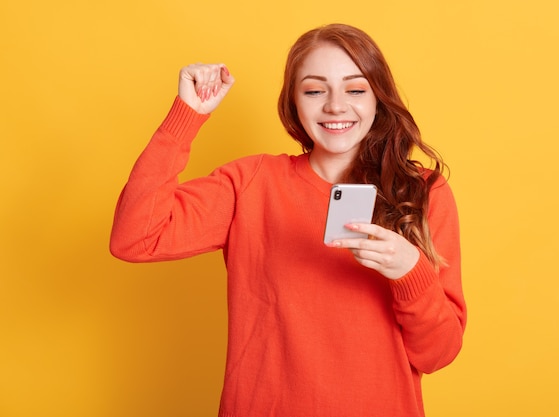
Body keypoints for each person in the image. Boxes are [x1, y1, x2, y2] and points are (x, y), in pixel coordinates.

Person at [110, 23, 466, 417]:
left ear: (378, 99)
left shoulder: (422, 192)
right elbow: (134, 238)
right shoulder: (250, 184)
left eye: (355, 89)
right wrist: (185, 118)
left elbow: (439, 353)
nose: (334, 105)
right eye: (314, 90)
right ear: (293, 102)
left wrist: (410, 271)